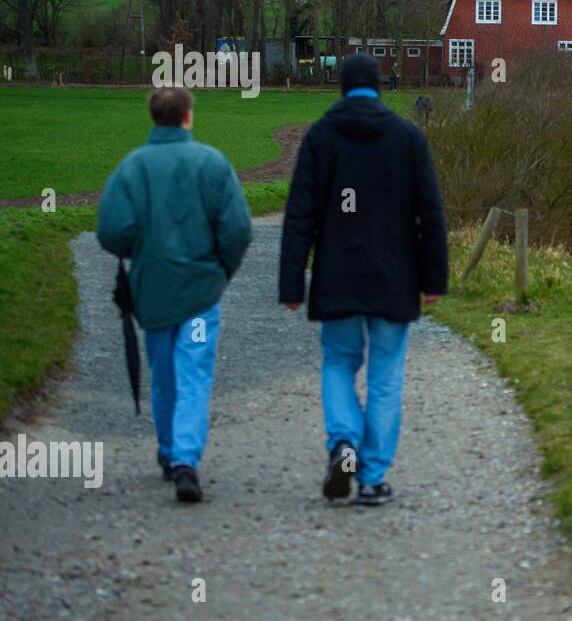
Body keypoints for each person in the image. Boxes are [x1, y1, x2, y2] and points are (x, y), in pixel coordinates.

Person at [280, 53, 449, 506]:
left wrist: (292, 283)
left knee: (339, 362)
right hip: (395, 276)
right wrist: (434, 277)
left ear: (341, 87)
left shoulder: (319, 137)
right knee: (386, 376)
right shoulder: (408, 138)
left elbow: (299, 214)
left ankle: (344, 444)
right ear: (379, 87)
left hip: (337, 274)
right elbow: (430, 212)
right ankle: (372, 477)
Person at [97, 86, 253, 503]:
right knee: (195, 373)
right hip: (201, 297)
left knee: (163, 374)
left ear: (155, 118)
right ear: (188, 116)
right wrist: (222, 270)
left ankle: (169, 454)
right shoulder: (213, 164)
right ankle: (186, 458)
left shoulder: (133, 168)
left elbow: (111, 230)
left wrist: (140, 249)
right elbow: (237, 229)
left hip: (154, 294)